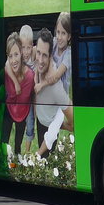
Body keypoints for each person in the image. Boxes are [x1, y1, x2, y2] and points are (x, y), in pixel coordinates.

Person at [33, 28, 72, 159]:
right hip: (41, 119)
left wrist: (62, 126)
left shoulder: (56, 88)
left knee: (45, 161)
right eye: (38, 53)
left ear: (50, 56)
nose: (40, 59)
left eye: (44, 55)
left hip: (51, 121)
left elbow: (73, 121)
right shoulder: (36, 61)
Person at [2, 32, 34, 158]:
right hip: (9, 107)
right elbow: (11, 96)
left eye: (16, 54)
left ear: (21, 53)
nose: (14, 60)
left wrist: (15, 88)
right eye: (10, 56)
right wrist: (15, 82)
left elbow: (22, 97)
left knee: (18, 143)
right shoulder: (6, 71)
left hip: (22, 109)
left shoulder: (29, 76)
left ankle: (18, 158)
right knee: (3, 139)